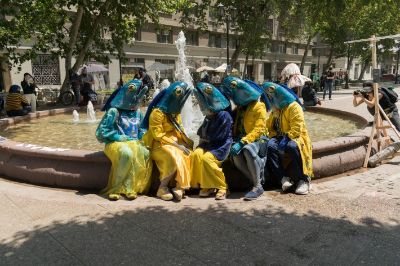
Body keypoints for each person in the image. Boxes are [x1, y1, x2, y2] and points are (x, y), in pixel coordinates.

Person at [95, 79, 152, 201]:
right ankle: (115, 188)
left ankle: (131, 187)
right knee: (126, 153)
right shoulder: (113, 111)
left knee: (146, 153)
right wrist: (117, 137)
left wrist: (142, 138)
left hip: (134, 142)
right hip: (115, 143)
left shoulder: (137, 112)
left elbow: (142, 128)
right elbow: (101, 132)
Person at [142, 81, 193, 201]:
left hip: (173, 142)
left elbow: (179, 129)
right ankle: (162, 187)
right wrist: (176, 145)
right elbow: (157, 135)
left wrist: (183, 142)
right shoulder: (157, 113)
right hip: (158, 144)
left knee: (188, 153)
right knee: (172, 155)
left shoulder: (175, 113)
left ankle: (180, 186)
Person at [221, 76, 268, 200]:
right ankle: (255, 180)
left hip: (258, 139)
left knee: (247, 150)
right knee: (235, 155)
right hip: (241, 139)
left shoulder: (259, 106)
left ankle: (257, 186)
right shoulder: (240, 108)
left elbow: (259, 130)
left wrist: (242, 142)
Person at [262, 82, 313, 195]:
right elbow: (267, 126)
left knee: (291, 146)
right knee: (270, 145)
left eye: (273, 96)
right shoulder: (276, 109)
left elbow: (297, 128)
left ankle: (304, 179)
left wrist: (286, 139)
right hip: (280, 137)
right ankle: (283, 178)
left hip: (296, 137)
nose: (271, 98)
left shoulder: (294, 107)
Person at [190, 82, 233, 200]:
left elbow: (219, 136)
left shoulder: (224, 115)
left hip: (221, 145)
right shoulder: (209, 116)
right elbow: (200, 132)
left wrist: (205, 137)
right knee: (196, 155)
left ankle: (223, 187)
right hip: (209, 144)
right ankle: (205, 185)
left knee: (207, 158)